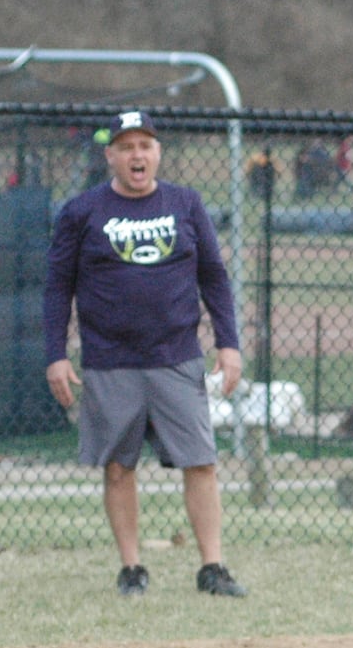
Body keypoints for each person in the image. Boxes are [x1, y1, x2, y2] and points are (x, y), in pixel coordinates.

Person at [43, 110, 248, 598]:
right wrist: (56, 353)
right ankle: (132, 568)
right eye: (127, 146)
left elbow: (214, 278)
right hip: (110, 359)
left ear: (158, 153)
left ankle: (212, 568)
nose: (138, 155)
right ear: (110, 155)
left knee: (200, 461)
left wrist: (229, 343)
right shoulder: (82, 211)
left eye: (146, 145)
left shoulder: (185, 203)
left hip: (176, 356)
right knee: (119, 466)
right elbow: (57, 287)